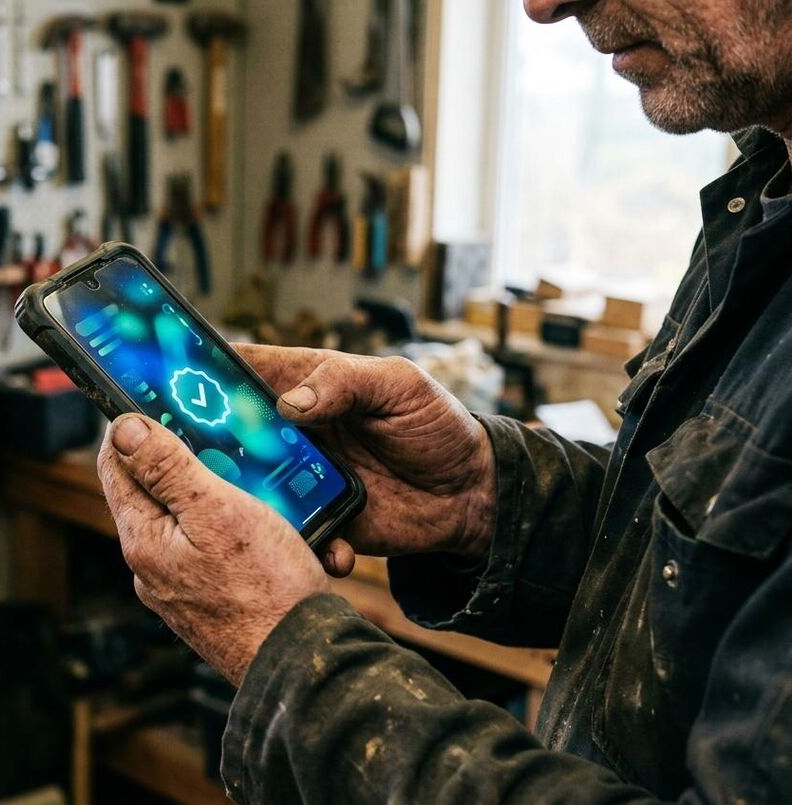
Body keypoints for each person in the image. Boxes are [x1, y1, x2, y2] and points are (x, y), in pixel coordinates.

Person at [96, 0, 792, 801]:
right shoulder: (763, 194)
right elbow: (711, 566)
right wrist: (484, 496)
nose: (541, 6)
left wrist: (293, 661)